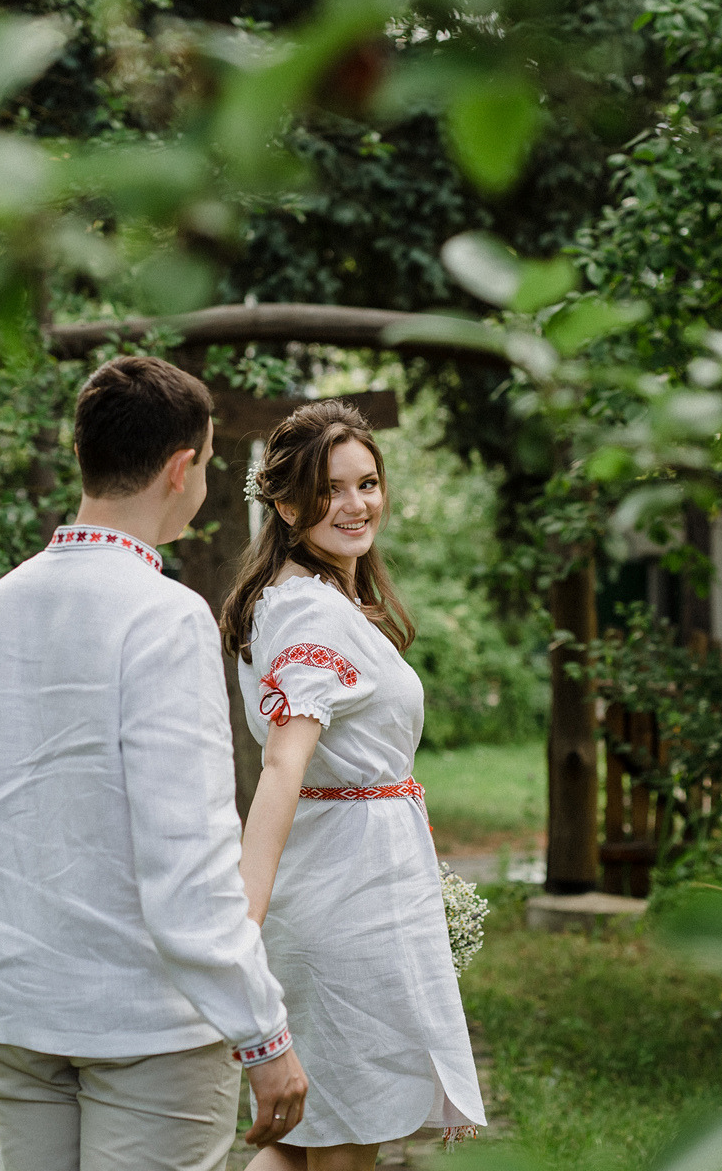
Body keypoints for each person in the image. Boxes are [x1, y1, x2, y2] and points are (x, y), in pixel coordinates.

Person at [0, 355, 309, 1171]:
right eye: (211, 463)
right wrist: (264, 1034)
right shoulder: (166, 618)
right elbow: (189, 856)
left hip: (15, 999)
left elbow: (15, 804)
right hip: (144, 1023)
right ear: (181, 468)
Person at [219, 400, 487, 1171]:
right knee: (340, 1149)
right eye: (330, 489)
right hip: (344, 910)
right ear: (285, 501)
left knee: (305, 1142)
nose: (355, 504)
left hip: (345, 883)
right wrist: (241, 925)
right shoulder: (309, 612)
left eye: (367, 483)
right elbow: (281, 765)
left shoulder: (294, 595)